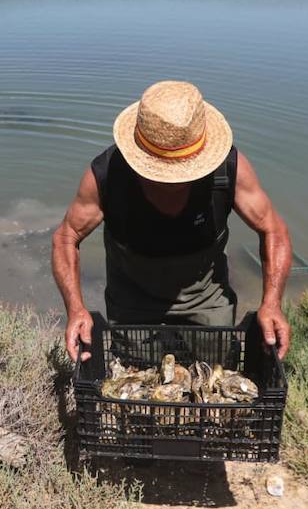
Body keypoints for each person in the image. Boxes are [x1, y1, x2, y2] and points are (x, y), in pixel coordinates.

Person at [52, 80, 293, 362]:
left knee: (214, 373)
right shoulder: (108, 175)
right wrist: (76, 309)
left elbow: (274, 230)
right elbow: (66, 237)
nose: (172, 182)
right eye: (160, 173)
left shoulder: (228, 171)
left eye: (182, 172)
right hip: (132, 299)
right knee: (135, 373)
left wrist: (272, 303)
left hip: (206, 297)